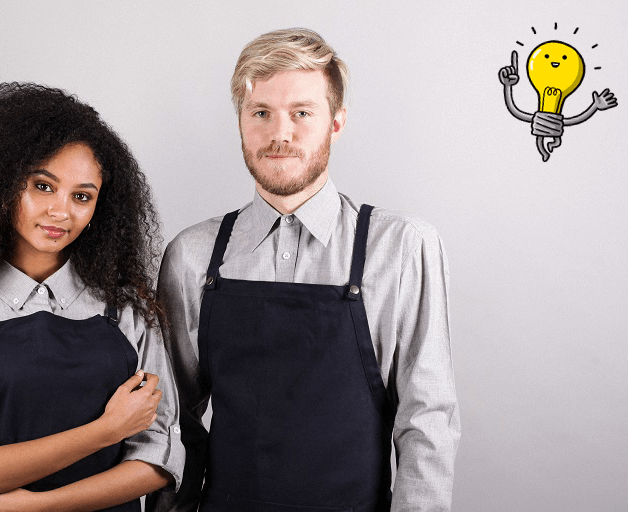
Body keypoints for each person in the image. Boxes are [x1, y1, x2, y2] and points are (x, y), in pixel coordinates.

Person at [147, 29, 460, 512]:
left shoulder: (400, 248)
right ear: (240, 122)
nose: (280, 134)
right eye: (261, 113)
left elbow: (428, 420)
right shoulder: (192, 255)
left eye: (302, 113)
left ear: (336, 122)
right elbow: (171, 419)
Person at [0, 83, 183, 512]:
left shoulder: (129, 315)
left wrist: (36, 507)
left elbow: (159, 460)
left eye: (82, 196)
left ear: (99, 210)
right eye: (42, 186)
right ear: (1, 186)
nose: (61, 212)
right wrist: (106, 431)